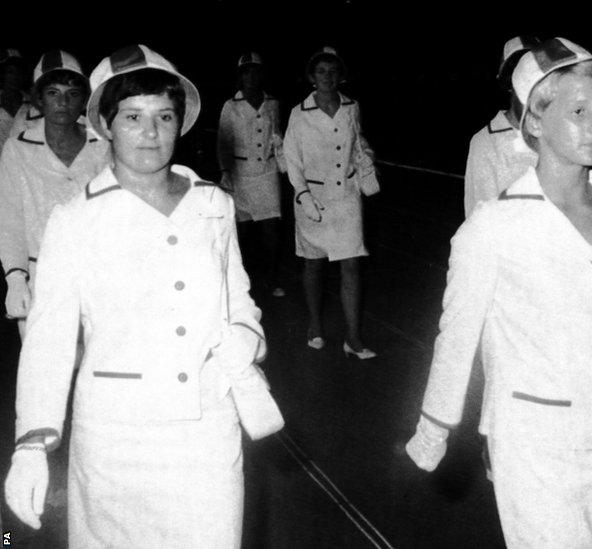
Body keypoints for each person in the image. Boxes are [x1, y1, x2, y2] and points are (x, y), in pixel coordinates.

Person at [405, 38, 592, 547]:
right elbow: (458, 334)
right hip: (532, 442)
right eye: (577, 111)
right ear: (533, 120)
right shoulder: (494, 225)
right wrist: (434, 428)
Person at [3, 44, 267, 547]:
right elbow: (48, 342)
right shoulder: (73, 220)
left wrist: (246, 336)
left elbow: (241, 300)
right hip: (117, 443)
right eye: (133, 117)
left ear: (181, 121)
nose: (150, 132)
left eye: (164, 116)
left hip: (207, 432)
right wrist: (32, 444)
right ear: (105, 124)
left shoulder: (212, 204)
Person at [0, 50, 110, 339]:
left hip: (99, 274)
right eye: (53, 92)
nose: (63, 102)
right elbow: (9, 220)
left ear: (84, 100)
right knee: (46, 375)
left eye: (73, 94)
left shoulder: (103, 144)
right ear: (38, 98)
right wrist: (15, 278)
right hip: (42, 277)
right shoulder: (18, 148)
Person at [283, 46, 379, 356]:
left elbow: (358, 143)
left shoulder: (352, 107)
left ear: (341, 75)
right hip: (313, 197)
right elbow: (292, 159)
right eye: (322, 71)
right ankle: (315, 324)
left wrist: (367, 164)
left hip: (347, 196)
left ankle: (353, 337)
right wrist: (302, 194)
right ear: (311, 76)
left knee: (351, 264)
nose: (328, 76)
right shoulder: (299, 113)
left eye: (333, 71)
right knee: (314, 264)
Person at [217, 52, 286, 298]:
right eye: (246, 72)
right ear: (240, 76)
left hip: (267, 172)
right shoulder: (230, 105)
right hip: (240, 174)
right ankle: (240, 282)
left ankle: (272, 278)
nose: (251, 76)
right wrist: (225, 172)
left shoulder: (273, 103)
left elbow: (277, 136)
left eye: (255, 71)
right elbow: (224, 142)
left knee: (271, 230)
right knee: (242, 232)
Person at [462, 35, 539, 217]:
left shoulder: (556, 133)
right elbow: (480, 219)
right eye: (522, 73)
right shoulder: (486, 142)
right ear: (510, 81)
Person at [0, 48, 30, 147]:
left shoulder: (33, 104)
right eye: (10, 72)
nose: (15, 77)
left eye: (19, 72)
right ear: (2, 74)